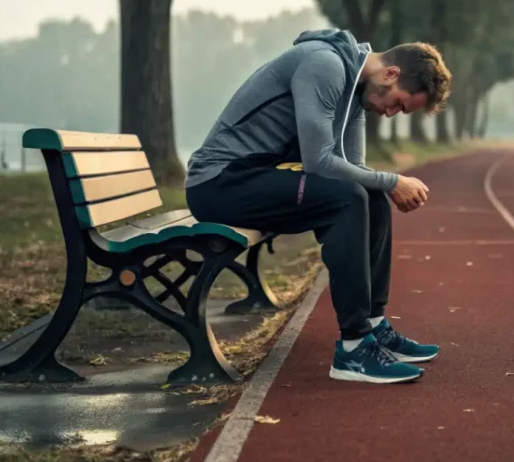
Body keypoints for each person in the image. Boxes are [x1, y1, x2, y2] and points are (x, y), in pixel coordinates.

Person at [185, 28, 452, 384]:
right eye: (398, 103)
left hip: (254, 179)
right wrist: (393, 181)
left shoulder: (356, 92)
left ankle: (372, 325)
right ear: (391, 74)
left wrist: (381, 185)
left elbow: (353, 169)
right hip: (219, 183)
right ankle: (354, 349)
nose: (390, 114)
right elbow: (319, 163)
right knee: (349, 199)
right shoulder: (324, 65)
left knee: (368, 196)